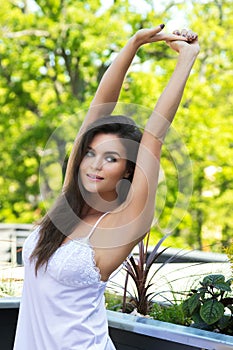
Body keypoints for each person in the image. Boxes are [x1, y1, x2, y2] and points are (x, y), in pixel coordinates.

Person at [13, 24, 200, 350]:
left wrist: (188, 57)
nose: (95, 164)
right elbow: (96, 113)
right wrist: (134, 43)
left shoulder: (125, 223)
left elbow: (154, 136)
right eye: (90, 153)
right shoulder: (65, 208)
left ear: (128, 170)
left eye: (111, 158)